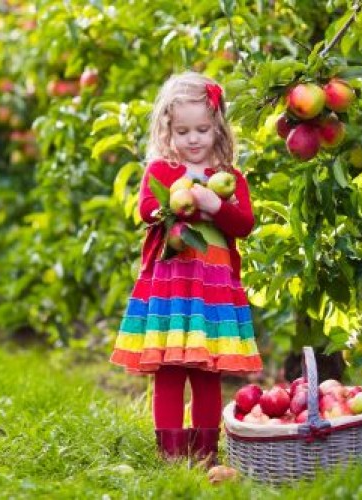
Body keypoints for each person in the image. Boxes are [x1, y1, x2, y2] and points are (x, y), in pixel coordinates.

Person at [109, 72, 263, 466]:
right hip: (172, 288)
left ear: (217, 128)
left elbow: (244, 224)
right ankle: (171, 454)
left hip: (212, 291)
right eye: (182, 131)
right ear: (168, 131)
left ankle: (206, 452)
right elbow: (146, 209)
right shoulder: (162, 172)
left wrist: (215, 204)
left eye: (202, 129)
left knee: (208, 372)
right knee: (170, 371)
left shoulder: (228, 178)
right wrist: (178, 199)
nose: (193, 140)